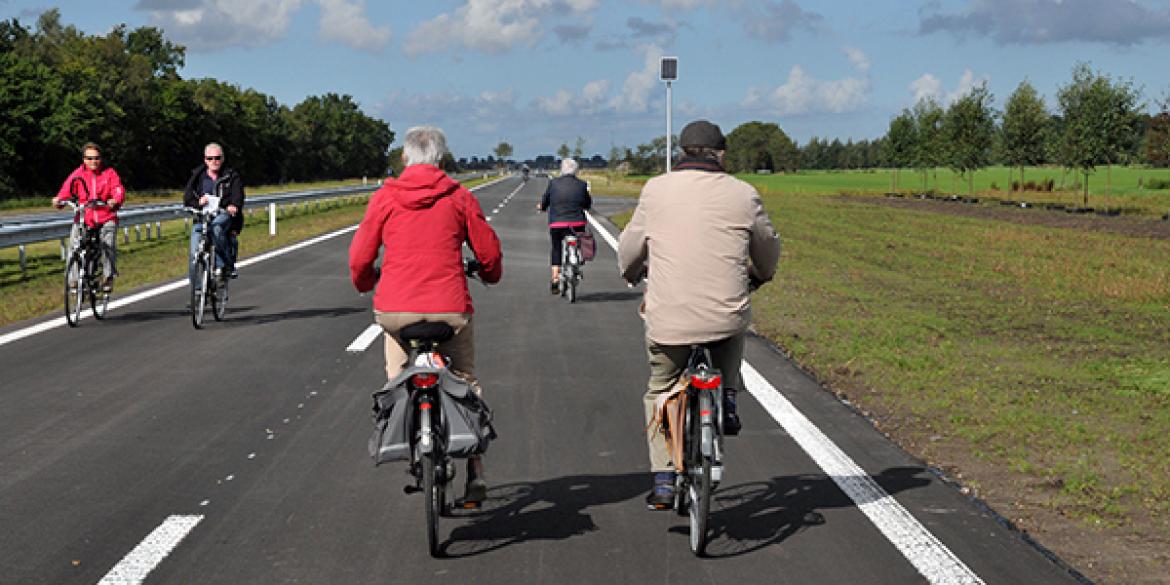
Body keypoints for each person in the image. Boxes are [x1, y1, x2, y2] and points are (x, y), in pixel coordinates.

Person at [617, 120, 780, 509]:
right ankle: (726, 395)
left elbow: (630, 247)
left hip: (669, 317)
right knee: (733, 324)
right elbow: (767, 247)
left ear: (682, 152)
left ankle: (661, 477)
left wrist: (632, 271)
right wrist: (761, 274)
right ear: (720, 153)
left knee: (660, 387)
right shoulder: (743, 193)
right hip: (724, 316)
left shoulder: (656, 190)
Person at [349, 125, 503, 506]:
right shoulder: (460, 197)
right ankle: (476, 466)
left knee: (397, 377)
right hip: (449, 309)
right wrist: (487, 274)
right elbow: (489, 256)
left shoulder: (385, 198)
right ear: (441, 159)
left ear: (404, 159)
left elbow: (359, 259)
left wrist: (368, 280)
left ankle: (410, 438)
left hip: (396, 312)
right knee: (465, 380)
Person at [53, 142, 125, 292]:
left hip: (106, 217)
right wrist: (59, 200)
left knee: (108, 244)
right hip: (85, 218)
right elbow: (66, 190)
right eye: (89, 158)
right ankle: (73, 280)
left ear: (101, 159)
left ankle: (108, 277)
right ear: (84, 159)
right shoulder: (78, 174)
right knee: (74, 245)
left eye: (96, 158)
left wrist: (114, 200)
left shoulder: (109, 173)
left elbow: (118, 189)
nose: (93, 162)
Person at [183, 142, 245, 285]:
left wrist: (233, 206)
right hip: (202, 218)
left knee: (217, 227)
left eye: (217, 158)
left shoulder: (231, 176)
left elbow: (238, 196)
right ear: (205, 160)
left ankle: (224, 264)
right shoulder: (197, 176)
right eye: (210, 158)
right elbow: (187, 198)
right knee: (194, 254)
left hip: (222, 215)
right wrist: (198, 202)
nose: (214, 161)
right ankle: (197, 292)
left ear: (222, 158)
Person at [536, 158, 592, 294]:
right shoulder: (582, 185)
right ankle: (578, 260)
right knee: (579, 240)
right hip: (577, 223)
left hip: (557, 223)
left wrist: (542, 207)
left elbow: (545, 201)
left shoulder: (553, 183)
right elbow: (587, 204)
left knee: (556, 247)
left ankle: (555, 278)